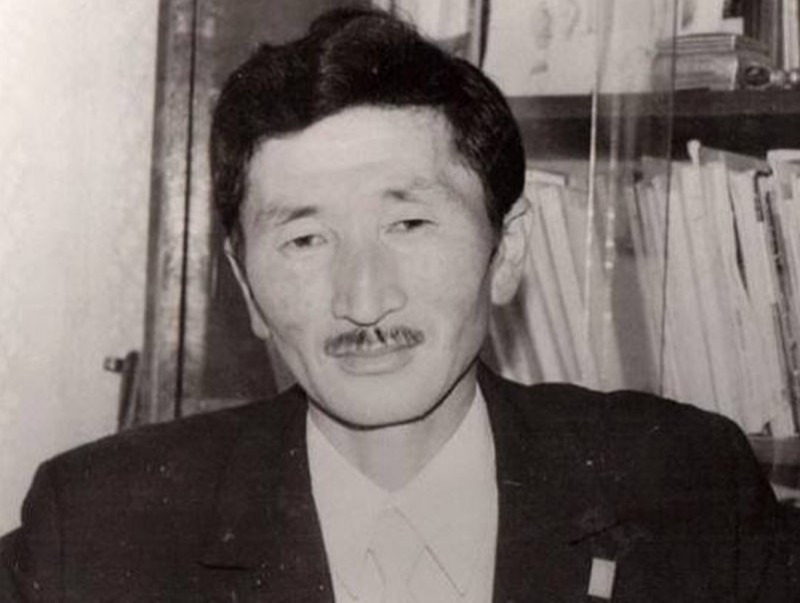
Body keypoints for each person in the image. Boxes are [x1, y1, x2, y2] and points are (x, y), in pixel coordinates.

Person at [1, 6, 797, 602]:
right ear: (246, 288)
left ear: (507, 251)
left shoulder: (690, 490)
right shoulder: (98, 528)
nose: (363, 299)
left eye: (408, 224)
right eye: (305, 239)